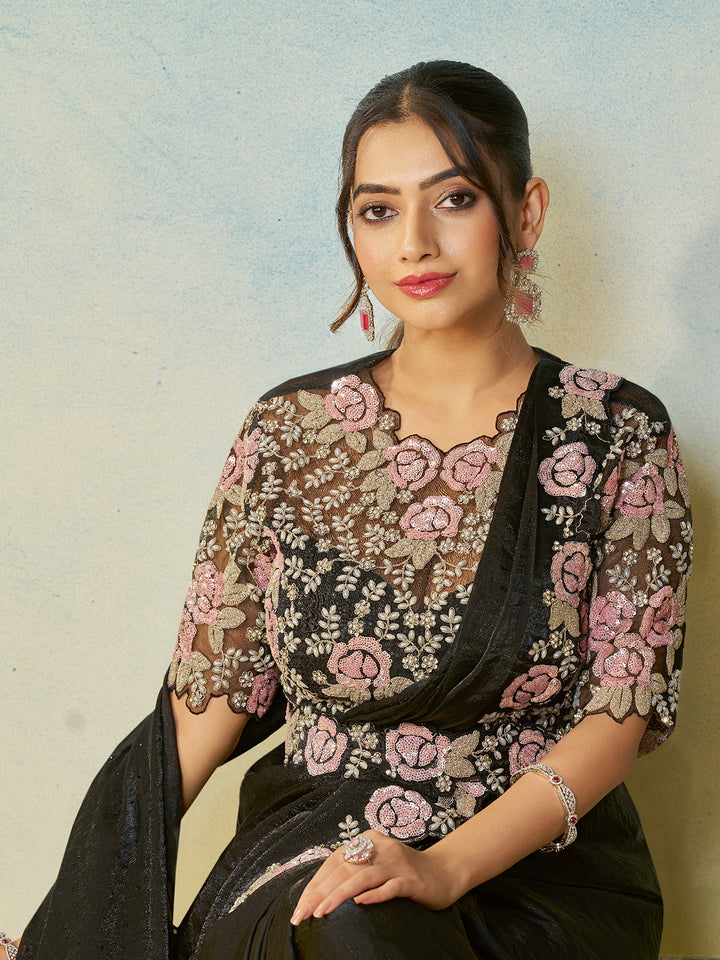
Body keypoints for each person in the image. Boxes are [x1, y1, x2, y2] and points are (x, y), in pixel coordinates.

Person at [7, 60, 691, 960]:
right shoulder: (289, 434)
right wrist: (80, 926)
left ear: (525, 213)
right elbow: (204, 707)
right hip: (318, 852)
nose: (413, 242)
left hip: (542, 873)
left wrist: (444, 866)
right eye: (377, 210)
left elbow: (619, 715)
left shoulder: (618, 434)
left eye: (452, 199)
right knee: (348, 917)